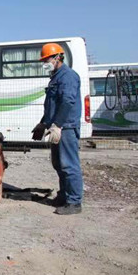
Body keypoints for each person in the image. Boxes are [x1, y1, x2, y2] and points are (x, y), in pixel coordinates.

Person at [32, 43, 83, 215]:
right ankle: (64, 196)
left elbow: (67, 102)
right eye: (44, 60)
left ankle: (74, 202)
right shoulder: (55, 77)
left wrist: (58, 126)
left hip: (65, 127)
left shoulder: (68, 76)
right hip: (57, 126)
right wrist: (43, 123)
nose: (44, 62)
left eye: (47, 59)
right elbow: (51, 106)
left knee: (69, 165)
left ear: (58, 58)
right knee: (59, 164)